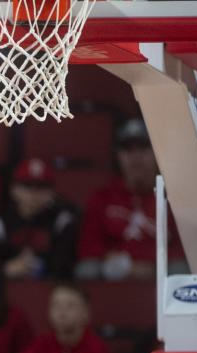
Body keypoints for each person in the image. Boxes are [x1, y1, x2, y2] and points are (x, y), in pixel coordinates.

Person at [76, 119, 185, 280]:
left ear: (156, 152)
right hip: (113, 275)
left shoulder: (175, 197)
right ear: (118, 156)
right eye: (128, 150)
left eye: (143, 148)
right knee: (87, 270)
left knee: (181, 269)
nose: (135, 157)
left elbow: (185, 248)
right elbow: (89, 248)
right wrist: (110, 259)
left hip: (161, 271)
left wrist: (151, 266)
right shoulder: (103, 198)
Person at [0, 158, 80, 279]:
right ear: (13, 189)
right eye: (27, 185)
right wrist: (6, 269)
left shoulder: (62, 221)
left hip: (52, 288)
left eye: (41, 186)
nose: (34, 193)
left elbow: (65, 264)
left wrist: (37, 266)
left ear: (52, 191)